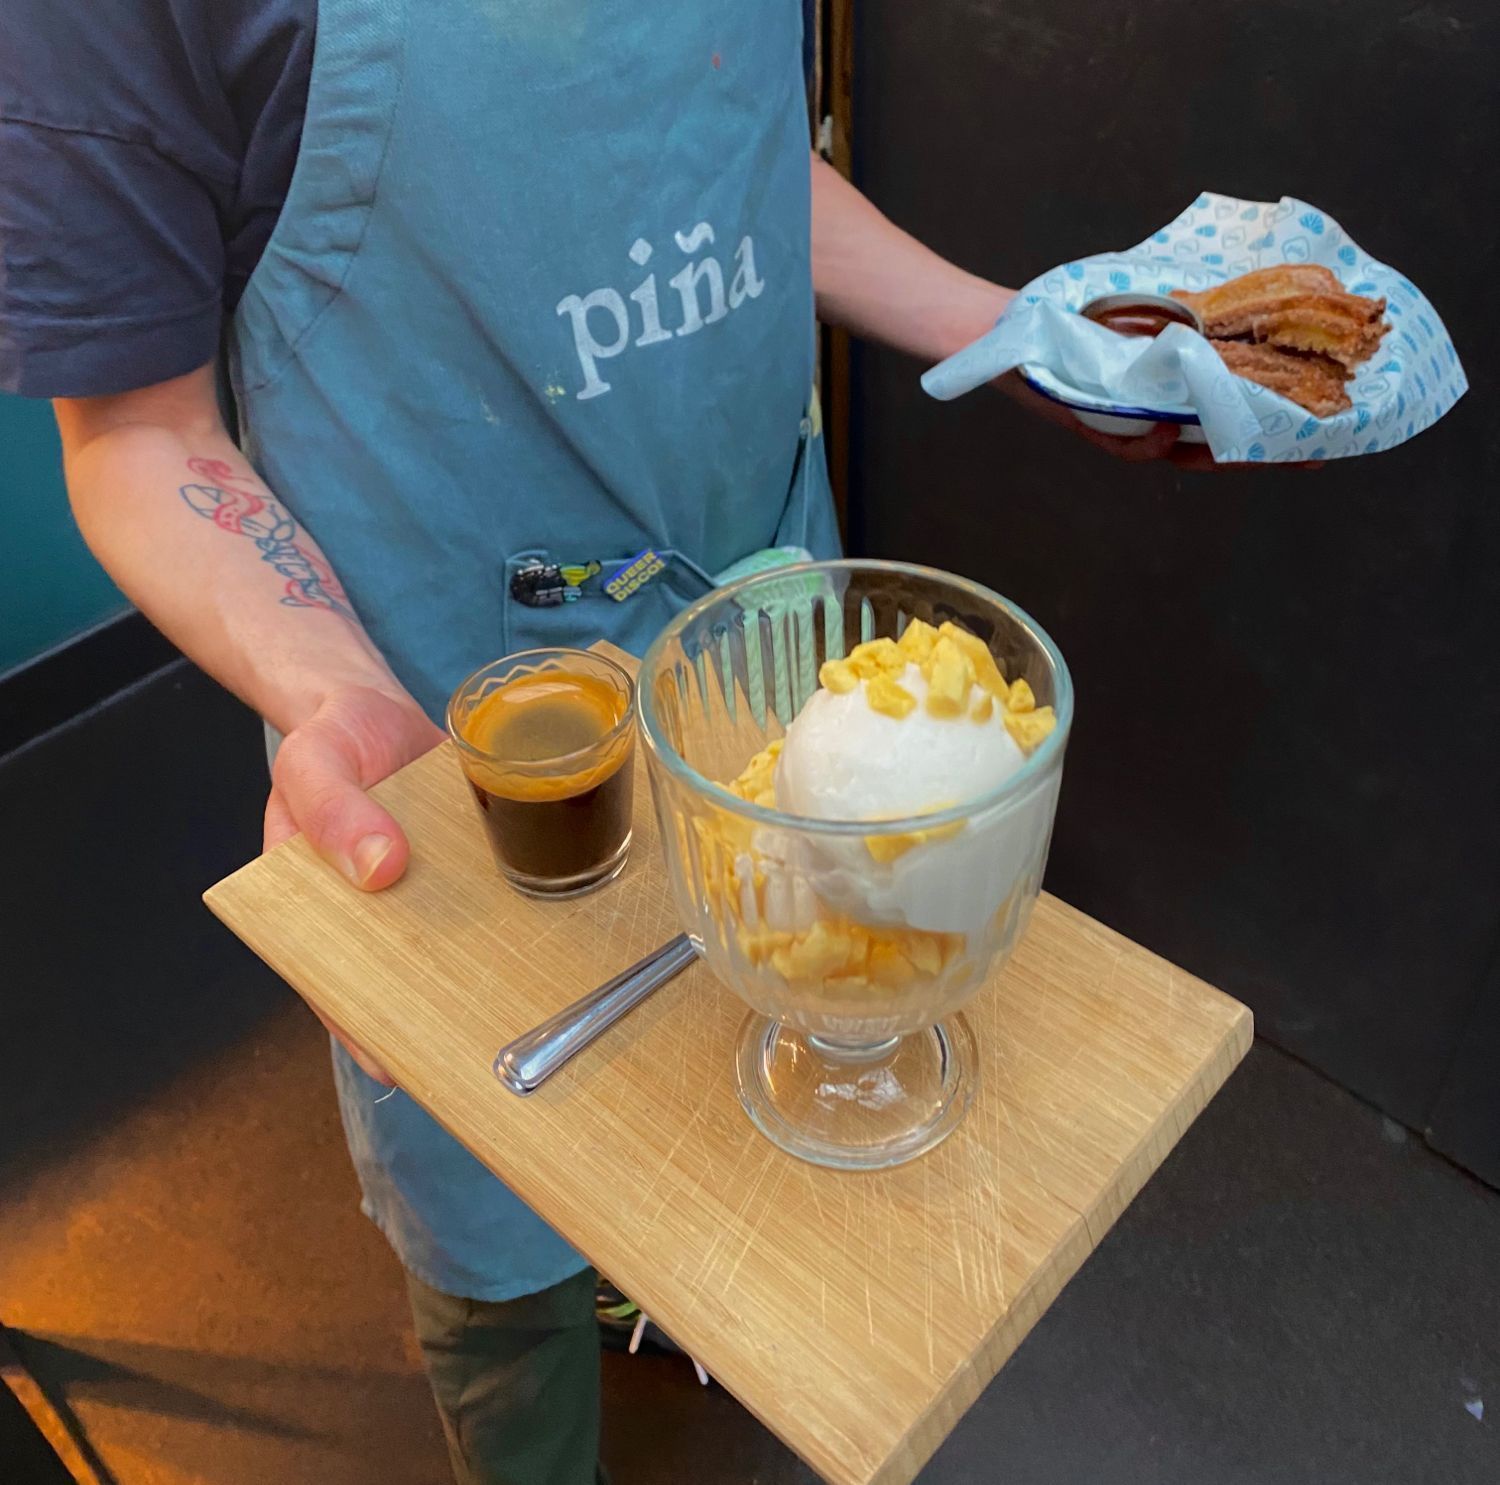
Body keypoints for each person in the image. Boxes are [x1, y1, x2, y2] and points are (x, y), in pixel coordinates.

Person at [1, 3, 1203, 1480]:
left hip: (765, 643)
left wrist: (993, 324)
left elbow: (722, 167)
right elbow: (138, 426)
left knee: (768, 1069)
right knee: (501, 1231)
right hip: (455, 735)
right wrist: (326, 688)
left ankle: (666, 1289)